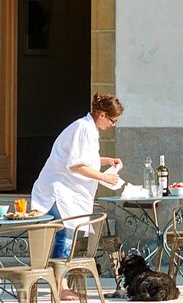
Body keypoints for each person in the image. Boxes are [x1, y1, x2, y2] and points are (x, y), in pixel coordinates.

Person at [30, 93, 125, 279]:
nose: (113, 125)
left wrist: (107, 161)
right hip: (58, 190)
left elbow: (83, 158)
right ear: (102, 115)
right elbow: (76, 165)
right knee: (64, 235)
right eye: (113, 120)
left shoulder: (88, 128)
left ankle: (58, 282)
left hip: (66, 190)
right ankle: (60, 285)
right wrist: (104, 178)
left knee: (66, 234)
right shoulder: (83, 128)